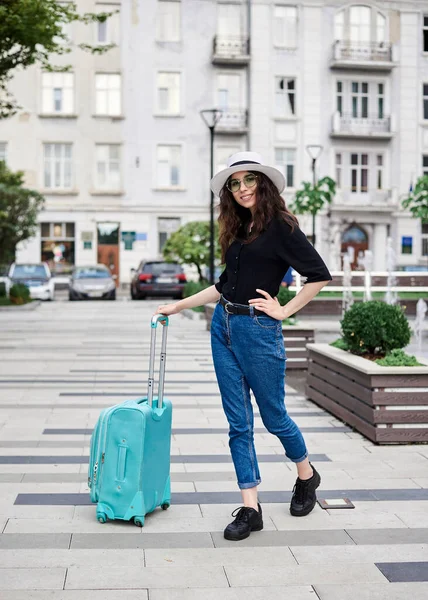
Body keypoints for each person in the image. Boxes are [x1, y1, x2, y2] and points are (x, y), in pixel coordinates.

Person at [154, 151, 332, 541]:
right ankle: (250, 508)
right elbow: (222, 287)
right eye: (234, 184)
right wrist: (179, 305)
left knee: (274, 417)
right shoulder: (238, 229)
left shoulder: (282, 228)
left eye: (248, 180)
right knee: (238, 423)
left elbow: (318, 275)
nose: (241, 188)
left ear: (263, 183)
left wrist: (283, 310)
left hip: (258, 330)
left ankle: (306, 474)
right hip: (224, 327)